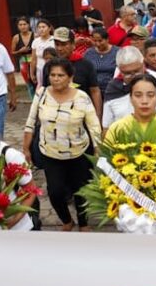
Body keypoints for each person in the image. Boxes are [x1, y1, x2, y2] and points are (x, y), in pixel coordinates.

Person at [23, 58, 101, 232]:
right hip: (50, 152)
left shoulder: (82, 98)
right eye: (53, 75)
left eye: (61, 75)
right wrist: (26, 148)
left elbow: (94, 125)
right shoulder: (41, 93)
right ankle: (66, 220)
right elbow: (30, 121)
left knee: (80, 190)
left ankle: (84, 223)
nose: (56, 78)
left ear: (70, 77)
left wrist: (98, 148)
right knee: (55, 192)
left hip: (79, 152)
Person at [102, 46, 156, 129]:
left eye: (136, 71)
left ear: (143, 65)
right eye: (127, 73)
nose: (133, 76)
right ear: (119, 69)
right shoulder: (113, 89)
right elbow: (106, 128)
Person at [104, 73, 156, 144]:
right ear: (130, 98)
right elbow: (105, 160)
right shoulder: (117, 129)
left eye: (150, 95)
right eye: (138, 95)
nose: (144, 101)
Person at [52, 27, 102, 117]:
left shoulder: (86, 65)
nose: (59, 48)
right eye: (57, 44)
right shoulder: (50, 66)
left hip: (81, 114)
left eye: (63, 44)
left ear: (73, 44)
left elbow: (95, 91)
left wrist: (98, 116)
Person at [83, 27, 119, 98]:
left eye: (100, 41)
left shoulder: (117, 52)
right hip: (93, 91)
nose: (98, 44)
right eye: (95, 41)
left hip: (113, 90)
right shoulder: (89, 53)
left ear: (107, 39)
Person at [11, 16, 35, 99]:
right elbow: (12, 52)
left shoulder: (34, 35)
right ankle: (33, 101)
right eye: (20, 25)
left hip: (34, 60)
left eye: (24, 24)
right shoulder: (16, 38)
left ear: (28, 25)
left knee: (37, 81)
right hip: (23, 61)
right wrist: (20, 51)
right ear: (17, 26)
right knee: (29, 83)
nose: (23, 26)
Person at [29, 19, 54, 90]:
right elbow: (33, 59)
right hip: (40, 70)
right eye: (39, 27)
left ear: (49, 28)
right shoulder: (35, 42)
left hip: (52, 69)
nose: (41, 29)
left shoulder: (54, 40)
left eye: (43, 27)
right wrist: (32, 73)